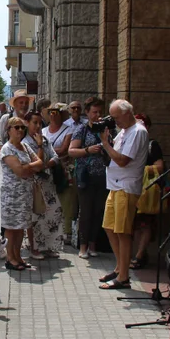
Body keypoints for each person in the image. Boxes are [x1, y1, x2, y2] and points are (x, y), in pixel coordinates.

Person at [98, 100, 149, 290]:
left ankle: (124, 277)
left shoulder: (138, 132)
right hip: (115, 186)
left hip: (126, 188)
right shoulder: (124, 131)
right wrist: (108, 141)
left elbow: (121, 160)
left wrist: (105, 144)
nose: (115, 121)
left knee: (123, 232)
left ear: (128, 113)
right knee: (109, 227)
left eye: (117, 117)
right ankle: (120, 268)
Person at [0, 117, 46, 270]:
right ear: (9, 130)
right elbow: (19, 171)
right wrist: (28, 167)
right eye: (16, 127)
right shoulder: (7, 148)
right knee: (11, 228)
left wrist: (27, 166)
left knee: (21, 227)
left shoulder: (25, 146)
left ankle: (18, 256)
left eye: (22, 128)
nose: (20, 130)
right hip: (12, 195)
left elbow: (40, 164)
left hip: (25, 194)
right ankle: (10, 258)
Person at [69, 97, 109, 259]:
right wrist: (88, 150)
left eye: (100, 112)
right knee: (85, 212)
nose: (98, 115)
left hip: (103, 176)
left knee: (98, 212)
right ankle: (83, 246)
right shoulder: (82, 129)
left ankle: (94, 245)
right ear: (87, 112)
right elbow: (72, 151)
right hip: (85, 176)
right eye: (94, 112)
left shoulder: (106, 129)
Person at [24, 110, 63, 259]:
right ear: (28, 123)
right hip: (34, 184)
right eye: (35, 123)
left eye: (40, 123)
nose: (38, 126)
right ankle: (34, 247)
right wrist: (40, 147)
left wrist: (47, 164)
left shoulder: (45, 139)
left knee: (53, 213)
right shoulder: (25, 142)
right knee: (36, 216)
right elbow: (34, 165)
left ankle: (48, 246)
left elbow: (55, 156)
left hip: (48, 182)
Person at [131, 115, 164, 270]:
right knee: (136, 225)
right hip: (132, 189)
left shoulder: (152, 145)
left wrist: (141, 170)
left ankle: (139, 255)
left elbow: (159, 166)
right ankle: (140, 254)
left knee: (145, 224)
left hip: (147, 191)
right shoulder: (130, 143)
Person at [43, 103, 77, 246]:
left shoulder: (68, 130)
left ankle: (67, 232)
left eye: (57, 112)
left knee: (66, 201)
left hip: (63, 169)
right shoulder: (43, 130)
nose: (53, 115)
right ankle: (48, 231)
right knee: (47, 201)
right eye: (51, 112)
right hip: (46, 170)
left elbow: (64, 149)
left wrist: (46, 152)